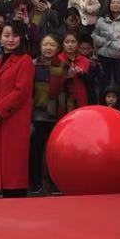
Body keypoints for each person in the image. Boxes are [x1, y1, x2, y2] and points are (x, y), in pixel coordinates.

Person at [0, 21, 35, 197]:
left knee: (13, 165)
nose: (10, 39)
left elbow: (21, 91)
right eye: (6, 35)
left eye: (15, 35)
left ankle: (15, 197)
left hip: (13, 120)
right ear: (0, 38)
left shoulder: (25, 60)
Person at [29, 34, 70, 195]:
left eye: (52, 45)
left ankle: (55, 184)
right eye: (45, 44)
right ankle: (35, 184)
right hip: (37, 114)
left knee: (55, 152)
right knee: (35, 151)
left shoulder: (64, 66)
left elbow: (70, 91)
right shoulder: (32, 65)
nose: (48, 48)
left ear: (58, 48)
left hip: (58, 114)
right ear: (40, 47)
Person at [94, 0, 120, 109]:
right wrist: (107, 43)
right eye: (113, 3)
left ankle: (119, 109)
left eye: (118, 3)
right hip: (104, 56)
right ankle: (102, 108)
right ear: (109, 5)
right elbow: (94, 36)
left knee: (119, 85)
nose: (115, 5)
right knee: (103, 84)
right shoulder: (101, 20)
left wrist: (117, 44)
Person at [58, 31, 91, 108]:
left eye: (73, 42)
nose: (70, 45)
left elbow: (90, 82)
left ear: (78, 44)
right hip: (63, 96)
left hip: (81, 97)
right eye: (67, 42)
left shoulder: (85, 61)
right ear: (62, 44)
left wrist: (82, 73)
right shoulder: (58, 59)